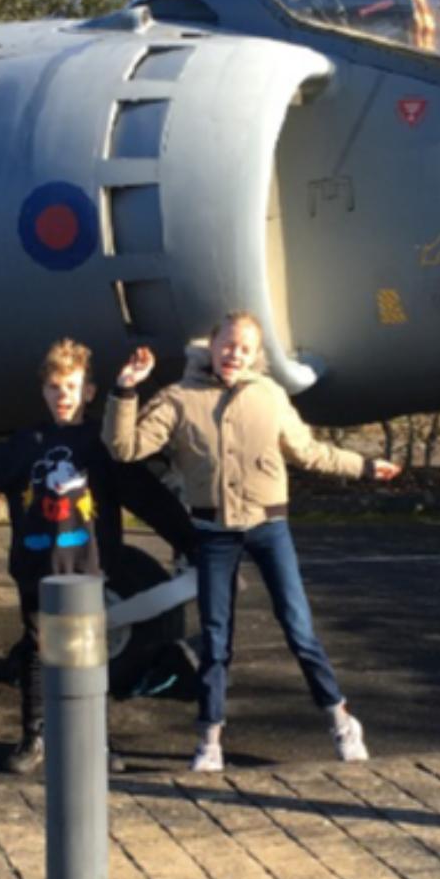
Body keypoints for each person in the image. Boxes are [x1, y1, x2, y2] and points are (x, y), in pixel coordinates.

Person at [105, 312, 401, 773]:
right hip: (213, 533)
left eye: (244, 348)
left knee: (299, 630)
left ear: (255, 355)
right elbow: (123, 449)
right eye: (228, 344)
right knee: (217, 640)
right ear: (212, 344)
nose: (234, 354)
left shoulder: (269, 395)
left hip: (269, 529)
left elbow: (309, 452)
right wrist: (125, 390)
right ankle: (209, 740)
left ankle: (342, 722)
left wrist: (363, 466)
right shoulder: (178, 399)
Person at [0, 339, 194, 774]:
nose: (63, 396)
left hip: (88, 571)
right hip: (37, 569)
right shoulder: (26, 442)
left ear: (88, 392)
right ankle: (35, 736)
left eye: (71, 387)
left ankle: (96, 742)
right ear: (44, 393)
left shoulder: (102, 446)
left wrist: (191, 542)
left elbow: (148, 497)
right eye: (55, 388)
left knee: (89, 657)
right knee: (37, 652)